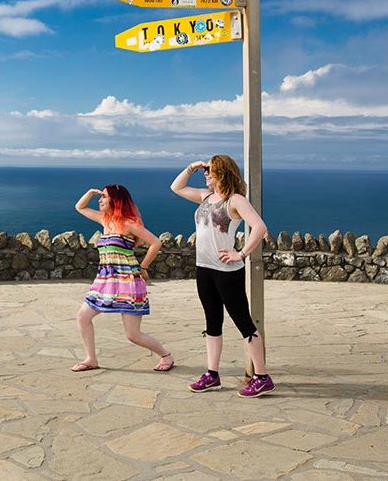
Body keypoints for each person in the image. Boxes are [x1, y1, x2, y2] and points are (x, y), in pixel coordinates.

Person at [170, 155, 275, 397]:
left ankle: (262, 376)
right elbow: (176, 187)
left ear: (222, 173)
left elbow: (259, 227)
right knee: (212, 323)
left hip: (227, 272)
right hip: (204, 269)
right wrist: (191, 167)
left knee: (244, 324)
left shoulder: (235, 200)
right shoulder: (205, 196)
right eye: (205, 170)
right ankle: (212, 375)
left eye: (209, 170)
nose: (205, 173)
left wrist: (242, 253)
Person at [71, 184, 173, 373]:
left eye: (103, 197)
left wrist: (143, 267)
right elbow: (80, 207)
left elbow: (156, 242)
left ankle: (166, 355)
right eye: (99, 197)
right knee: (83, 317)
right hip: (105, 281)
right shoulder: (105, 220)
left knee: (133, 335)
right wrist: (91, 193)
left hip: (128, 282)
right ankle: (91, 359)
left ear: (115, 201)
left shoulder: (128, 224)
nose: (100, 200)